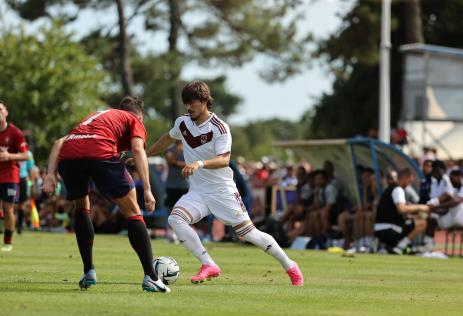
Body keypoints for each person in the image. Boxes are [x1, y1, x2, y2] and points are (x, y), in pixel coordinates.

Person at [147, 81, 303, 286]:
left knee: (251, 235)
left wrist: (199, 163)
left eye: (192, 102)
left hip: (223, 192)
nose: (188, 107)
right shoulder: (183, 122)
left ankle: (290, 265)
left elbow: (224, 159)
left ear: (204, 101)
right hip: (198, 192)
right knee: (176, 219)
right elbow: (168, 137)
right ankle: (208, 264)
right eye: (186, 103)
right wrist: (145, 154)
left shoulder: (219, 127)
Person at [42, 96, 170, 293]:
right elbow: (137, 149)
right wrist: (147, 189)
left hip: (70, 155)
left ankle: (88, 272)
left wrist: (50, 175)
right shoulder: (134, 119)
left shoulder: (98, 116)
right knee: (133, 211)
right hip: (99, 152)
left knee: (82, 208)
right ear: (140, 117)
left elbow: (60, 141)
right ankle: (151, 278)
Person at [374, 168, 430, 254]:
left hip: (378, 229)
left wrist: (411, 215)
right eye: (409, 181)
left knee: (411, 222)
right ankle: (400, 247)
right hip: (389, 229)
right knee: (422, 222)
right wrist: (420, 207)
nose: (409, 185)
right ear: (405, 178)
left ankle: (387, 248)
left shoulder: (388, 189)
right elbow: (401, 209)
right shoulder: (398, 189)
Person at [0, 100, 29, 252]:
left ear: (6, 112)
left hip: (10, 175)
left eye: (0, 109)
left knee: (8, 208)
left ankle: (8, 242)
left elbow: (26, 155)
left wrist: (8, 156)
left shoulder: (15, 133)